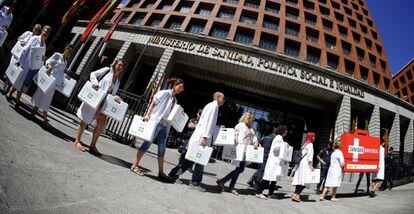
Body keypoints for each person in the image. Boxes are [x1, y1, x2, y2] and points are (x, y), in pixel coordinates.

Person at [168, 92, 225, 192]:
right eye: (223, 98)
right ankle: (194, 183)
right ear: (218, 97)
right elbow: (208, 123)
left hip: (200, 136)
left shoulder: (210, 105)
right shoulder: (214, 107)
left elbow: (206, 123)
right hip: (202, 138)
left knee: (190, 158)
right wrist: (205, 137)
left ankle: (174, 174)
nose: (224, 100)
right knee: (200, 160)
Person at [130, 78, 185, 180]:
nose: (181, 89)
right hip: (157, 122)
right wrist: (147, 114)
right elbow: (153, 102)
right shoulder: (165, 93)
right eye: (180, 87)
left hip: (164, 125)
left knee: (162, 148)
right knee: (147, 143)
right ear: (175, 85)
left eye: (182, 88)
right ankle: (134, 165)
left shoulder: (175, 100)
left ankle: (161, 172)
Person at [73, 59, 125, 155]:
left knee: (101, 123)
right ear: (115, 64)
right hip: (95, 99)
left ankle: (92, 145)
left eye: (122, 66)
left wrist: (117, 98)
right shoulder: (106, 70)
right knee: (85, 119)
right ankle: (77, 141)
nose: (120, 67)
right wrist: (95, 84)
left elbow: (112, 94)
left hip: (104, 104)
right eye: (119, 65)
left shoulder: (117, 81)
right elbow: (93, 74)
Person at [7, 25, 51, 107]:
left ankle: (10, 93)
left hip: (32, 68)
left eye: (48, 33)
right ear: (42, 31)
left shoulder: (44, 45)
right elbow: (25, 49)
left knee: (20, 82)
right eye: (45, 31)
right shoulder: (35, 38)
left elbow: (40, 58)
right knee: (20, 82)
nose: (46, 33)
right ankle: (17, 101)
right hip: (25, 63)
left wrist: (43, 58)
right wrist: (19, 61)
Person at [216, 112, 260, 196]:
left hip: (247, 151)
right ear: (247, 118)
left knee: (238, 169)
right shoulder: (241, 125)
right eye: (252, 119)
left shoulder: (251, 129)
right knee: (240, 169)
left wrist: (256, 142)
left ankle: (231, 187)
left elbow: (255, 138)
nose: (253, 121)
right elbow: (235, 133)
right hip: (240, 149)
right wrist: (236, 139)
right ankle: (222, 181)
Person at [30, 45, 74, 125]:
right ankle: (40, 115)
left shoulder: (65, 61)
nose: (69, 54)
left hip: (54, 82)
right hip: (49, 78)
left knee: (47, 99)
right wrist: (49, 67)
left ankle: (39, 114)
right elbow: (48, 61)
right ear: (65, 49)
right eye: (69, 51)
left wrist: (65, 76)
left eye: (71, 53)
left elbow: (60, 72)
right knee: (40, 94)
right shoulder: (57, 55)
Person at [3, 24, 42, 94]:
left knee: (16, 73)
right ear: (33, 27)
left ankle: (8, 87)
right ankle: (5, 86)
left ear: (38, 32)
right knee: (10, 69)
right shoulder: (28, 33)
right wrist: (22, 42)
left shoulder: (36, 39)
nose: (35, 30)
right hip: (17, 54)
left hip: (24, 58)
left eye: (37, 30)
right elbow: (19, 38)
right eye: (35, 28)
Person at [255, 125, 288, 200]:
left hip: (275, 161)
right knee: (268, 177)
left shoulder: (279, 137)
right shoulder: (279, 137)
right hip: (273, 161)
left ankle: (270, 193)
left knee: (274, 178)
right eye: (286, 130)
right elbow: (276, 147)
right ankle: (259, 192)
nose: (287, 132)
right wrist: (285, 144)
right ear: (282, 131)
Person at [291, 132, 315, 202]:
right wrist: (310, 165)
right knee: (305, 180)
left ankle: (295, 194)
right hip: (305, 163)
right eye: (313, 136)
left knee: (300, 179)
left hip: (301, 163)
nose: (314, 138)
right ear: (310, 137)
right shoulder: (310, 144)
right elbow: (310, 155)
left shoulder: (305, 144)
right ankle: (297, 195)